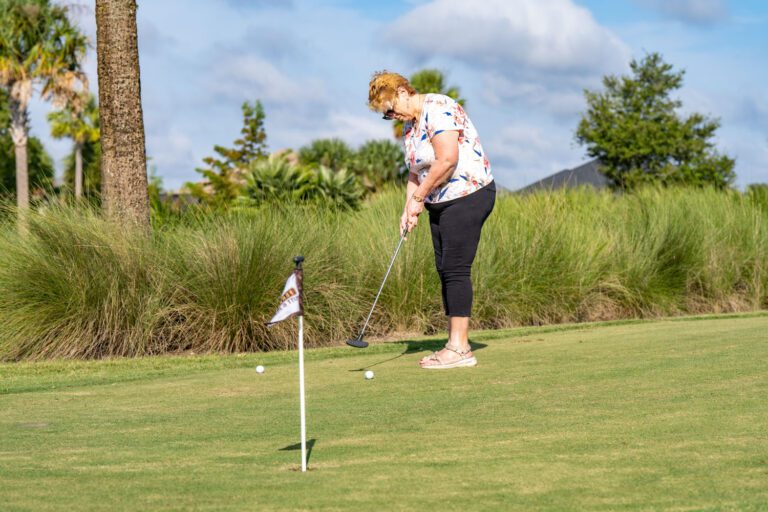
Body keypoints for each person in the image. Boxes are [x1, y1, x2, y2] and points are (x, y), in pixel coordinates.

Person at [367, 71, 495, 369]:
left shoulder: (439, 107)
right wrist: (407, 208)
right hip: (440, 201)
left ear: (401, 91)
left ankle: (461, 349)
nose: (392, 115)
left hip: (467, 193)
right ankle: (453, 343)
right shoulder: (411, 128)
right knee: (444, 269)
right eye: (386, 116)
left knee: (455, 268)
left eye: (390, 108)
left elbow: (447, 160)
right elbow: (416, 172)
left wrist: (419, 198)